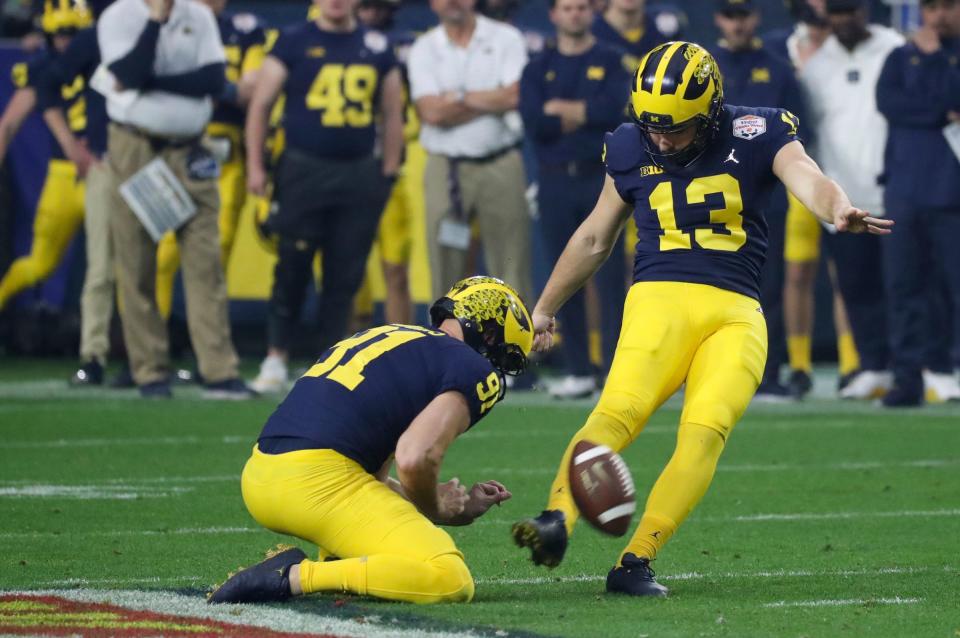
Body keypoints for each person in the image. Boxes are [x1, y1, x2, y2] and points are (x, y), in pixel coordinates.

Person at [512, 41, 892, 596]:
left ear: (712, 111)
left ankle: (636, 561)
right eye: (653, 128)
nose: (662, 139)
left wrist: (834, 208)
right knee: (617, 412)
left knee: (704, 431)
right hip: (659, 300)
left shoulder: (757, 131)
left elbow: (805, 174)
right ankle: (556, 519)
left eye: (676, 129)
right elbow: (596, 235)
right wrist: (544, 308)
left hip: (736, 313)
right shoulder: (628, 143)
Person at [208, 276, 532, 605]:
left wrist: (450, 506)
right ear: (488, 334)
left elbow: (371, 479)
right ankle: (292, 576)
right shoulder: (472, 367)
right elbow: (414, 458)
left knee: (390, 548)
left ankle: (336, 562)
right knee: (448, 577)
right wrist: (437, 504)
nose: (495, 368)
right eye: (502, 357)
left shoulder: (389, 335)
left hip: (263, 475)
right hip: (318, 482)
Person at [246, 0, 404, 394]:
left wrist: (387, 171)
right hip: (304, 170)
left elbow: (392, 113)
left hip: (356, 174)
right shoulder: (293, 40)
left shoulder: (376, 46)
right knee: (292, 266)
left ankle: (329, 361)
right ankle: (276, 355)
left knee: (344, 275)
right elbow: (261, 105)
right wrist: (255, 165)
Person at [98, 0, 253, 399]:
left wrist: (147, 82)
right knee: (136, 261)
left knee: (205, 259)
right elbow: (129, 70)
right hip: (136, 146)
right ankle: (149, 371)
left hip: (190, 147)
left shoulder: (198, 14)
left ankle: (219, 371)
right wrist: (156, 20)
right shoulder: (120, 15)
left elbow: (213, 79)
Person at [520, 0, 630, 398]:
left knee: (614, 276)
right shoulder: (537, 66)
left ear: (591, 13)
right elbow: (536, 123)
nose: (575, 14)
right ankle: (580, 368)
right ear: (553, 14)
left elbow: (614, 113)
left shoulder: (612, 60)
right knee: (567, 275)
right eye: (567, 8)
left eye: (582, 7)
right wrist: (585, 114)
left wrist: (563, 112)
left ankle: (620, 367)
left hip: (602, 179)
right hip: (554, 181)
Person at [800, 0, 903, 400]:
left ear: (866, 11)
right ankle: (873, 365)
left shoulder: (894, 48)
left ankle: (915, 365)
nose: (844, 20)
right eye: (837, 12)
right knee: (856, 288)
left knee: (904, 287)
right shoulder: (816, 66)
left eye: (851, 11)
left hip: (893, 193)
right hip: (843, 199)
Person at [710, 0, 810, 400]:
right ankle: (708, 373)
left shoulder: (780, 71)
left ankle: (766, 374)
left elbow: (798, 135)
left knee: (766, 290)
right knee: (709, 287)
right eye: (730, 16)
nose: (738, 24)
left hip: (765, 198)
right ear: (719, 19)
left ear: (756, 18)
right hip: (710, 195)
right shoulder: (703, 70)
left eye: (744, 15)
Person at [407, 0, 532, 303]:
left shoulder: (506, 38)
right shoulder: (424, 47)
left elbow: (515, 95)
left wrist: (457, 97)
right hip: (445, 165)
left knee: (511, 260)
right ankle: (447, 345)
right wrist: (491, 99)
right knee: (445, 261)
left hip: (500, 161)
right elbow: (431, 113)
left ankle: (515, 345)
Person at [153, 0, 267, 322]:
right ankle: (150, 349)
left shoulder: (244, 28)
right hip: (175, 147)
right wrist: (223, 87)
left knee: (215, 256)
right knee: (162, 254)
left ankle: (206, 349)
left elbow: (253, 90)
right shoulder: (167, 25)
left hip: (226, 155)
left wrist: (199, 84)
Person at [877, 0, 960, 405]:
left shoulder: (945, 56)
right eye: (931, 7)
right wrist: (940, 112)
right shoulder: (899, 57)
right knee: (904, 287)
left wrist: (936, 61)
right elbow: (889, 105)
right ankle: (907, 378)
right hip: (905, 192)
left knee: (952, 288)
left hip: (952, 192)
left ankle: (948, 370)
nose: (939, 16)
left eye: (948, 6)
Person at [0, 0, 91, 314]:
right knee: (40, 265)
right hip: (64, 175)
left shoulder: (106, 61)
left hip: (104, 170)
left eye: (73, 32)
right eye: (61, 33)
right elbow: (8, 124)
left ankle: (139, 351)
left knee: (125, 265)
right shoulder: (42, 68)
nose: (67, 41)